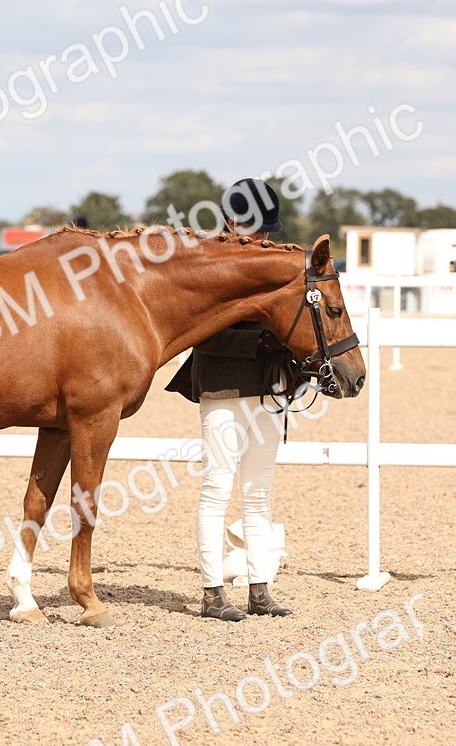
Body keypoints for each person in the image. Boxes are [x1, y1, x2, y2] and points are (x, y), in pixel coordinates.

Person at [165, 177, 296, 622]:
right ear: (230, 220)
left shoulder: (271, 265)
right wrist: (262, 343)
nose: (259, 237)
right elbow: (202, 335)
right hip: (221, 385)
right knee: (217, 489)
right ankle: (211, 594)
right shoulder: (208, 266)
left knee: (259, 493)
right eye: (252, 227)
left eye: (264, 229)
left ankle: (260, 589)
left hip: (267, 391)